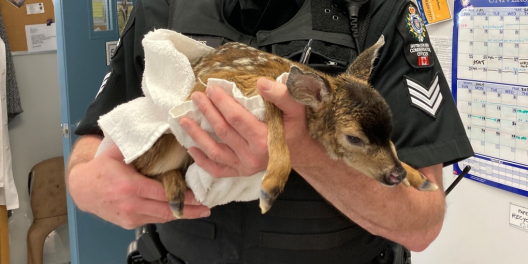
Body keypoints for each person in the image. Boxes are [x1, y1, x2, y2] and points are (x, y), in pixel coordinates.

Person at [66, 0, 474, 263]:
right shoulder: (160, 10)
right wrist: (86, 184)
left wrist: (299, 148)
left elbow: (421, 225)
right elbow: (97, 137)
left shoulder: (379, 12)